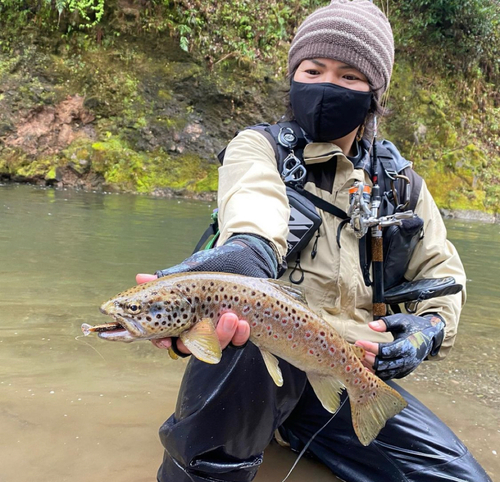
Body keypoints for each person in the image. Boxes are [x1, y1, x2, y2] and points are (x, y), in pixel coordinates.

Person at [137, 1, 492, 481]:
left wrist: (427, 331)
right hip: (253, 361)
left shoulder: (402, 184)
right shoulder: (256, 148)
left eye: (349, 76)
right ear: (293, 76)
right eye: (314, 69)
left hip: (344, 367)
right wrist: (246, 254)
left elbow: (443, 276)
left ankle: (296, 428)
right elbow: (255, 215)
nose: (328, 85)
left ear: (373, 93)